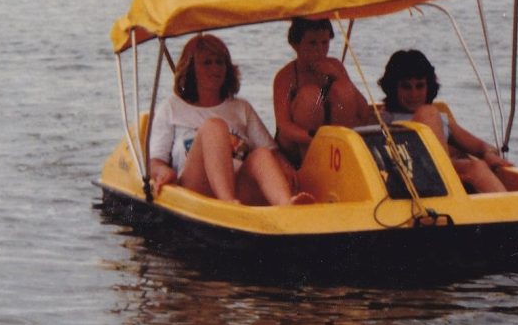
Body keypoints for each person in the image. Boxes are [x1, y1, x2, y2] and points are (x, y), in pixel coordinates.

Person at [148, 34, 313, 205]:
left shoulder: (241, 108)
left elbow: (271, 151)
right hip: (195, 189)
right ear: (191, 69)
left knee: (261, 154)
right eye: (207, 63)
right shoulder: (171, 108)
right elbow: (154, 162)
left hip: (238, 188)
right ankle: (226, 201)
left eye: (220, 62)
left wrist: (287, 168)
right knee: (215, 126)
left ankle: (286, 204)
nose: (215, 69)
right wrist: (163, 171)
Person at [377, 49, 512, 193]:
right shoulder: (383, 118)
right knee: (428, 113)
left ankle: (511, 212)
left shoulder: (440, 118)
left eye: (420, 86)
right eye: (406, 87)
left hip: (446, 180)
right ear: (393, 88)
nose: (414, 94)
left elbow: (482, 147)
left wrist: (489, 154)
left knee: (477, 166)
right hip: (410, 181)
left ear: (428, 86)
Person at [272, 18, 372, 167]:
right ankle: (310, 165)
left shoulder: (334, 66)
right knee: (310, 96)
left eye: (324, 43)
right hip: (299, 144)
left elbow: (363, 112)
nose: (319, 50)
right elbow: (284, 126)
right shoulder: (286, 76)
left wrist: (339, 77)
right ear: (296, 45)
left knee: (342, 89)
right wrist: (315, 139)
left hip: (332, 141)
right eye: (312, 43)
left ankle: (341, 159)